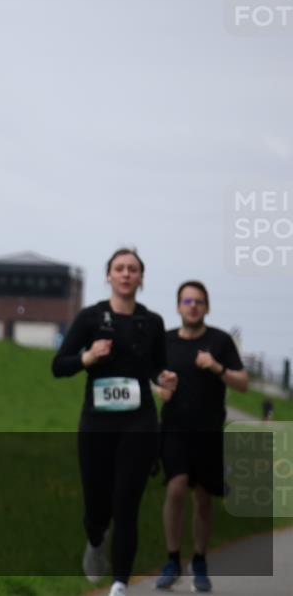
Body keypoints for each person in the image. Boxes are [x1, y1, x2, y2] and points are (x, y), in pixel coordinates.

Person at [51, 248, 178, 596]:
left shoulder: (152, 323)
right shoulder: (91, 318)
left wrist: (164, 378)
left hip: (139, 423)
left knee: (127, 503)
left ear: (141, 278)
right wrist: (87, 357)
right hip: (97, 423)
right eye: (119, 268)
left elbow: (157, 368)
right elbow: (58, 365)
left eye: (133, 269)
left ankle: (120, 582)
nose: (126, 274)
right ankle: (95, 541)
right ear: (108, 276)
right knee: (97, 504)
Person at [155, 281, 248, 593]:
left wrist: (216, 367)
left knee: (205, 498)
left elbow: (243, 383)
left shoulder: (219, 341)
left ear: (207, 307)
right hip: (174, 429)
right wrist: (161, 388)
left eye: (198, 301)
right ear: (178, 306)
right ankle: (171, 559)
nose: (192, 306)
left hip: (208, 432)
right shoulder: (165, 341)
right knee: (177, 487)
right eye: (186, 300)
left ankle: (199, 560)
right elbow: (152, 380)